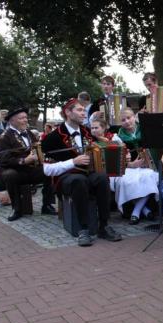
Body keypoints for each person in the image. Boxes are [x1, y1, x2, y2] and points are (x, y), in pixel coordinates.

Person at [41, 98, 122, 246]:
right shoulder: (51, 138)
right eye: (79, 110)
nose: (84, 113)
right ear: (67, 112)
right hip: (65, 178)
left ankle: (104, 226)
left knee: (102, 178)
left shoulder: (87, 133)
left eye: (84, 110)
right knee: (79, 180)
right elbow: (47, 170)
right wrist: (73, 162)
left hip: (87, 174)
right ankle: (83, 229)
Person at [94, 112, 158, 224]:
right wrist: (131, 164)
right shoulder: (116, 137)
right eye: (123, 120)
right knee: (126, 181)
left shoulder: (142, 131)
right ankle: (143, 210)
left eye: (129, 118)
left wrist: (145, 160)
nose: (127, 121)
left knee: (150, 176)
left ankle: (137, 211)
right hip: (123, 170)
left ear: (134, 117)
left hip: (144, 167)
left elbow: (126, 154)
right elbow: (119, 160)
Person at [0, 107, 56, 221]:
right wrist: (23, 161)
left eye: (26, 118)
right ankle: (16, 209)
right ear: (12, 121)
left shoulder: (29, 133)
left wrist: (42, 157)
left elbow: (37, 149)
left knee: (50, 170)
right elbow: (3, 159)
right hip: (14, 170)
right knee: (10, 175)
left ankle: (47, 205)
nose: (25, 120)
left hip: (30, 169)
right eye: (21, 118)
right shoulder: (4, 137)